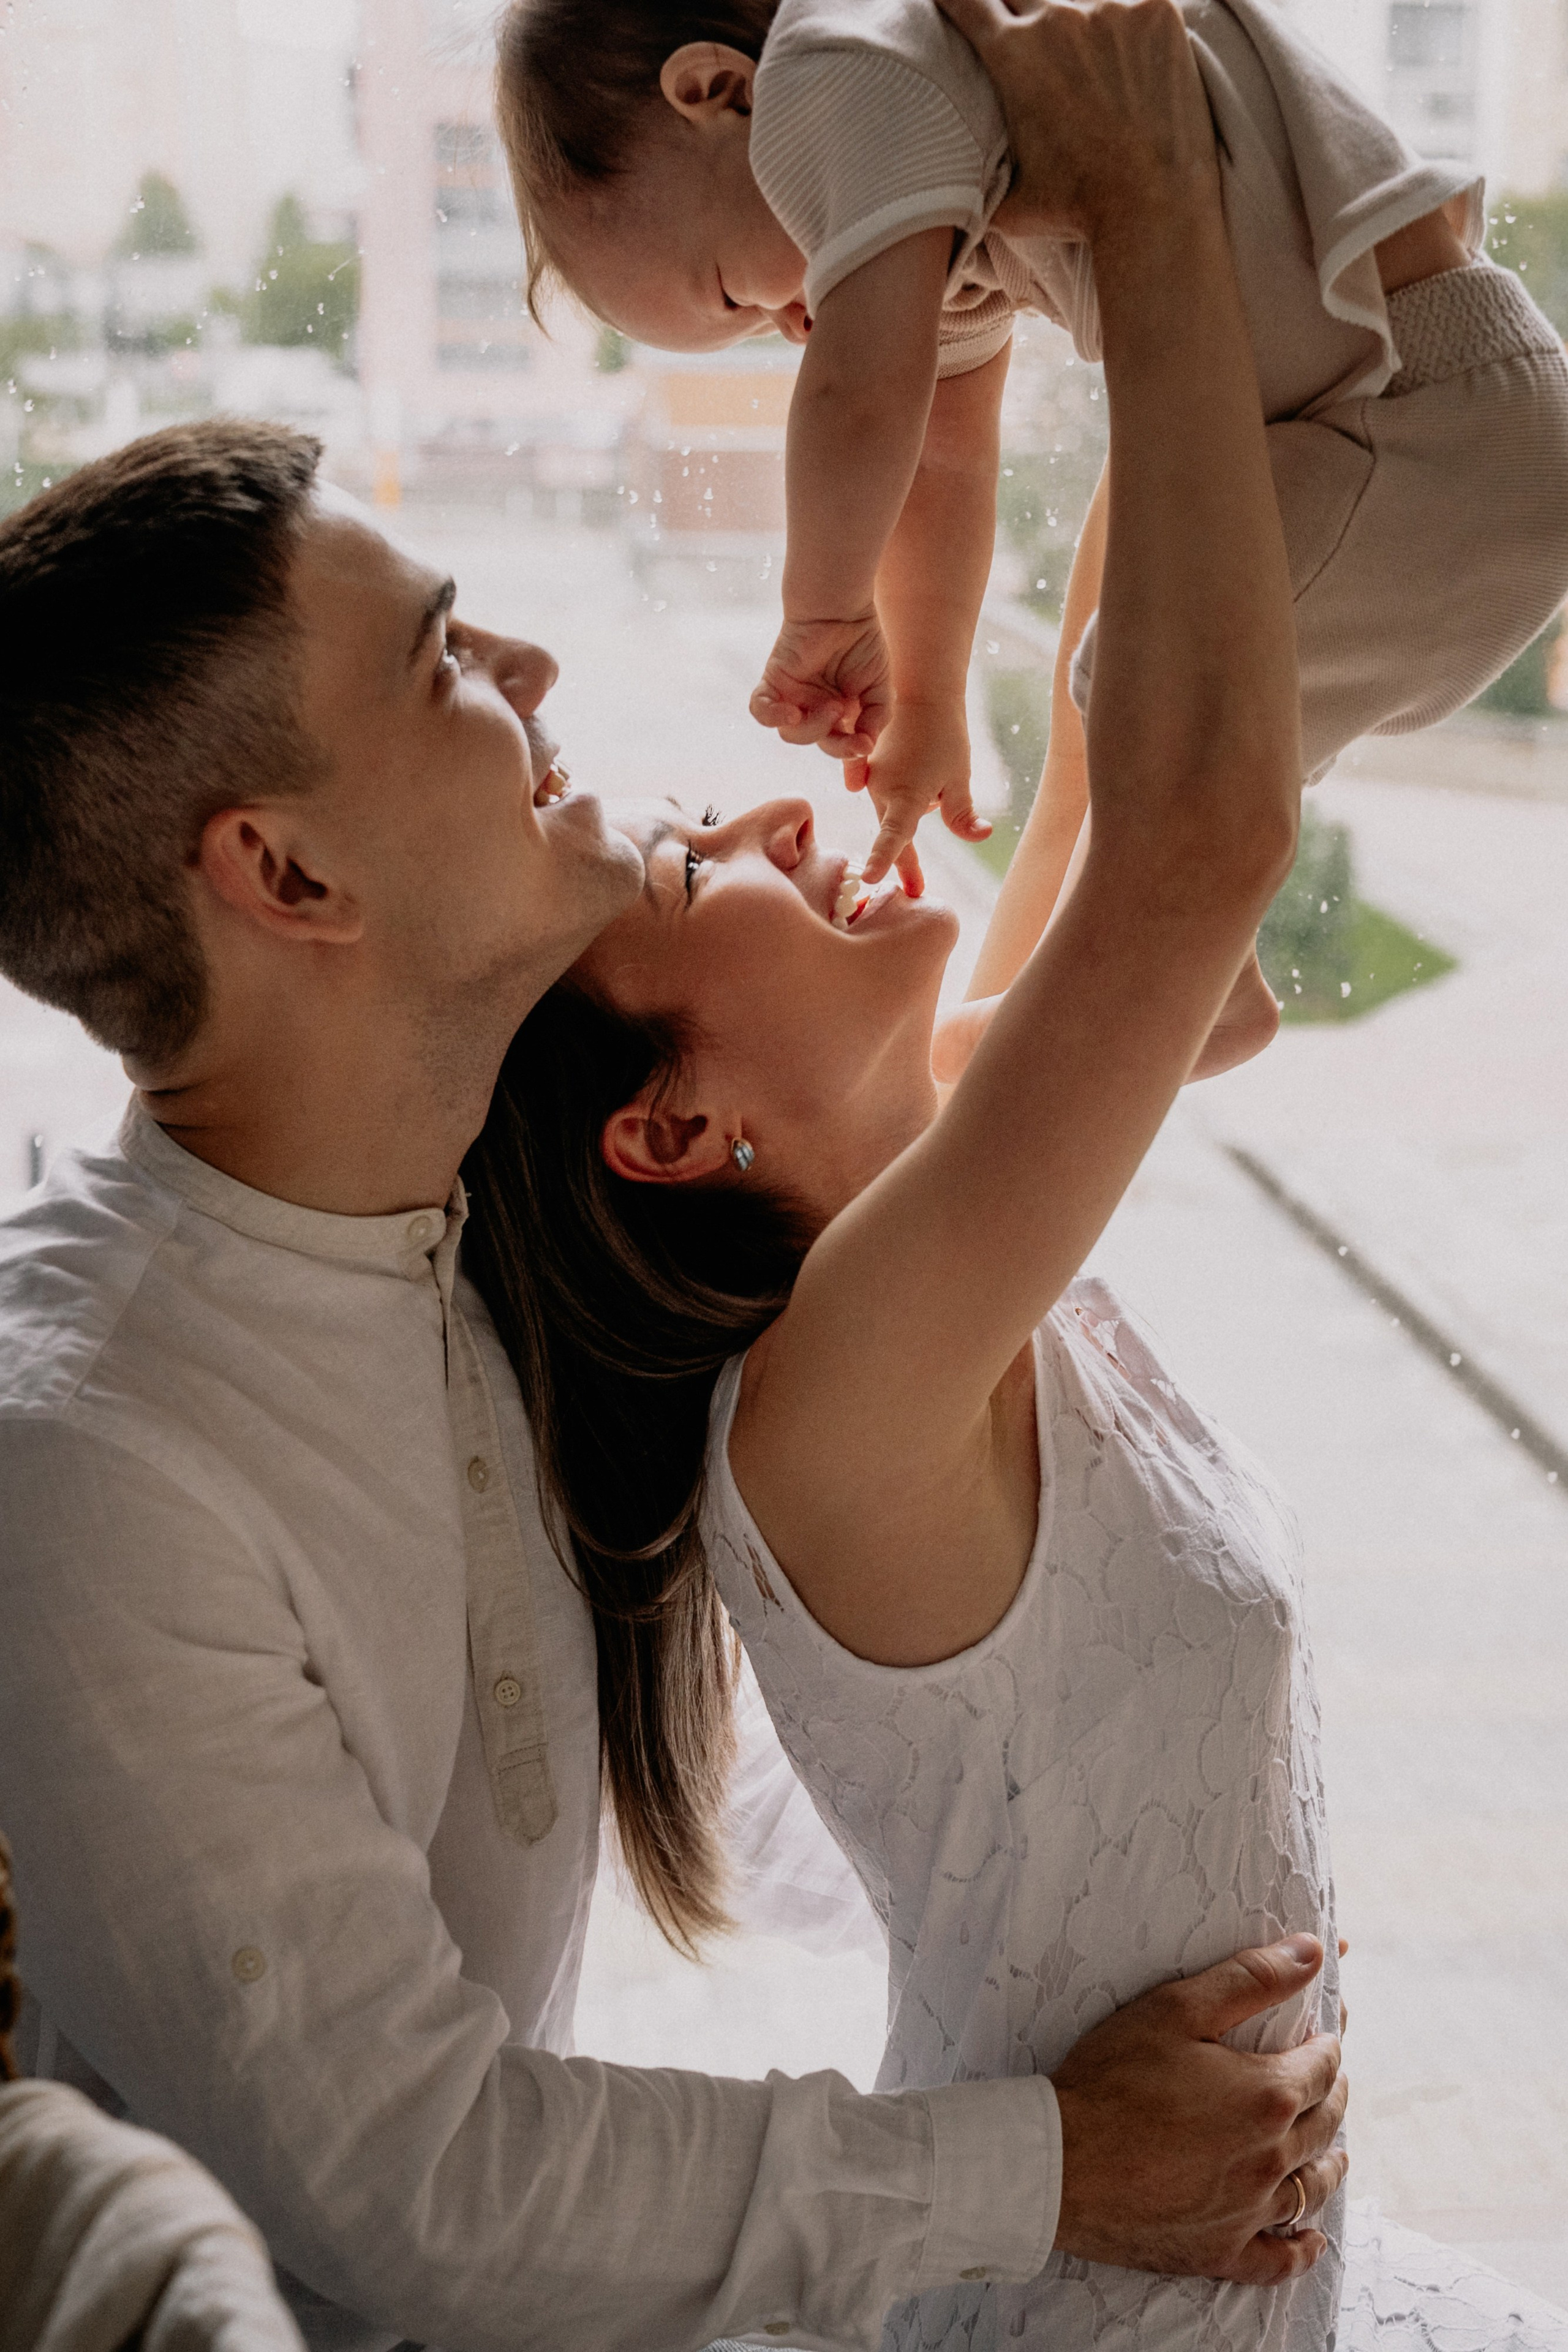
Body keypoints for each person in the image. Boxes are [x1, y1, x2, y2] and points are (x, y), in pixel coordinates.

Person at [0, 28, 1347, 2352]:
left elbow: (1135, 910)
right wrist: (1048, 2165)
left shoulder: (508, 1259)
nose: (529, 660)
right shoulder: (94, 1464)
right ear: (284, 870)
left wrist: (991, 314)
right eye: (440, 658)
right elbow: (413, 2182)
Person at [466, 7, 1568, 2351]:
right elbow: (1202, 836)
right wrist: (1153, 202)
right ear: (668, 1131)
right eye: (696, 850)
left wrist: (976, 663)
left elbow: (1173, 854)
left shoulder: (930, 1198)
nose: (764, 810)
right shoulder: (845, 1392)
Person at [497, 0, 1568, 1061]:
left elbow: (862, 400)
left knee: (1146, 699)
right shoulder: (947, 161)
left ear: (720, 93)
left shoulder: (843, 68)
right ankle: (1185, 972)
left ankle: (1175, 982)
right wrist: (923, 698)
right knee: (1154, 696)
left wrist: (819, 609)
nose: (788, 326)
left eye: (734, 294)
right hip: (1402, 431)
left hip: (1428, 422)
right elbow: (941, 452)